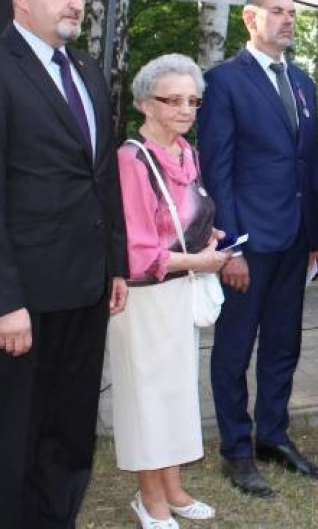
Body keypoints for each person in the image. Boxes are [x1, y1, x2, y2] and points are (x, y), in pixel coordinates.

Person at [0, 0, 128, 529]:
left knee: (69, 431)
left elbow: (101, 177)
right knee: (18, 433)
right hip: (22, 295)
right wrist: (3, 302)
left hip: (85, 288)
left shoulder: (87, 70)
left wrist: (115, 264)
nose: (76, 2)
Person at [197, 0, 318, 498]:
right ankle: (236, 449)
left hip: (294, 239)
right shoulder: (223, 82)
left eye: (293, 13)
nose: (288, 20)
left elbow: (310, 164)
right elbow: (217, 171)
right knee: (234, 349)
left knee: (282, 344)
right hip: (248, 244)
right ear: (250, 19)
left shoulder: (302, 82)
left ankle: (273, 435)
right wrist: (229, 247)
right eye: (278, 11)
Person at [110, 54, 231, 527]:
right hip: (145, 298)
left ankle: (174, 489)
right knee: (148, 399)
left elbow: (181, 220)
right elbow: (139, 251)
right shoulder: (131, 159)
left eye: (193, 101)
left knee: (177, 394)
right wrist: (200, 261)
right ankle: (149, 499)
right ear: (145, 103)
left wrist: (207, 237)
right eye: (173, 100)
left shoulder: (187, 153)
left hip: (181, 291)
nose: (185, 110)